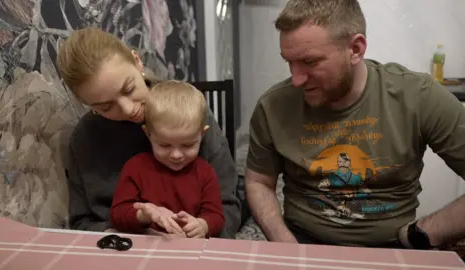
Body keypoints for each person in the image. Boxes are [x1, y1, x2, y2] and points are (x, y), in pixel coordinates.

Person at [245, 0, 465, 249]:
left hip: (393, 245)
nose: (296, 79)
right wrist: (285, 245)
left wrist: (425, 232)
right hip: (302, 242)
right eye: (289, 61)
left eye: (309, 62)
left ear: (356, 49)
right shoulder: (272, 106)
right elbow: (259, 182)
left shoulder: (418, 97)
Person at [56, 27, 241, 238]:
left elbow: (228, 205)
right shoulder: (84, 138)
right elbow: (82, 222)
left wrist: (201, 231)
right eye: (105, 107)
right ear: (86, 103)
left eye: (129, 89)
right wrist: (132, 235)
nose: (128, 110)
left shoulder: (186, 112)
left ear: (137, 62)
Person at [110, 80, 225, 238]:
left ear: (202, 135)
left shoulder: (205, 173)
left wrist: (203, 225)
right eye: (164, 145)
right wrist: (144, 215)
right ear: (148, 134)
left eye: (187, 145)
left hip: (190, 249)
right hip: (149, 248)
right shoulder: (135, 168)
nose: (176, 155)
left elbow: (216, 216)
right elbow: (117, 214)